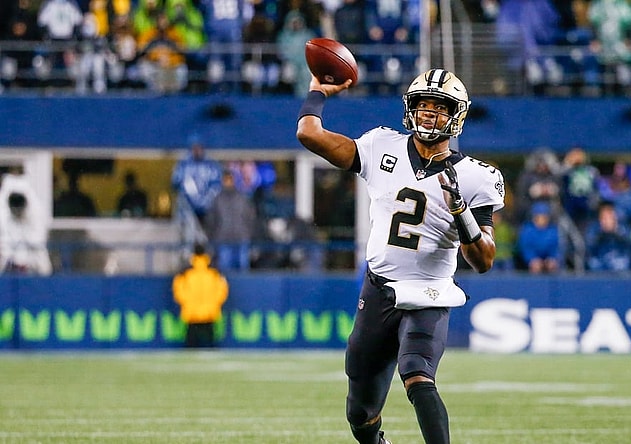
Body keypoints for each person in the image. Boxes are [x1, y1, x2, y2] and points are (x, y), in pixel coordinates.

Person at [296, 68, 505, 444]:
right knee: (360, 411)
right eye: (423, 105)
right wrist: (317, 92)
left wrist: (461, 212)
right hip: (379, 289)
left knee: (417, 372)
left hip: (429, 291)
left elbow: (484, 260)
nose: (428, 113)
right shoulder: (381, 146)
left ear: (456, 116)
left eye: (439, 107)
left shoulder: (476, 176)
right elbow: (309, 133)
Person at [171, 137, 223, 252]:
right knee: (187, 237)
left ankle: (210, 260)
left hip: (208, 210)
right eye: (195, 148)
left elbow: (217, 185)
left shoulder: (212, 165)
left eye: (199, 147)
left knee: (209, 239)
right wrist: (192, 198)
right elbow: (176, 183)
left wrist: (205, 201)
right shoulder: (183, 165)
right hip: (187, 210)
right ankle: (187, 259)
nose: (197, 150)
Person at [172, 243, 228, 347]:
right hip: (210, 311)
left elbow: (178, 289)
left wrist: (186, 301)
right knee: (210, 345)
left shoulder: (185, 271)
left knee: (191, 345)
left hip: (191, 312)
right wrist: (215, 302)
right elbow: (222, 288)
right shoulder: (214, 270)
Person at [203, 169, 256, 272]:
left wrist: (248, 234)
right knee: (225, 271)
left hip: (241, 239)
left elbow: (250, 218)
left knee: (243, 270)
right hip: (223, 240)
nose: (228, 182)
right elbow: (211, 220)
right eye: (226, 180)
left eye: (230, 179)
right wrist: (214, 236)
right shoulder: (217, 200)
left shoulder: (242, 198)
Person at [515, 201, 561, 273]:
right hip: (529, 262)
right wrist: (531, 259)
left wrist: (552, 258)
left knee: (553, 266)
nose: (541, 220)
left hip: (547, 260)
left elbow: (556, 248)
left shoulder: (552, 230)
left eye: (544, 217)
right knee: (535, 267)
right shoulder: (527, 230)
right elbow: (525, 247)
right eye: (539, 217)